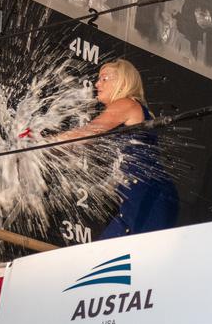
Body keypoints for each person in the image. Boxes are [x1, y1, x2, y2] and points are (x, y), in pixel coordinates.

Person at [54, 59, 178, 238]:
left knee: (109, 255)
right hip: (151, 195)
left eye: (104, 78)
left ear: (123, 82)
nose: (97, 83)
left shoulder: (127, 104)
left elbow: (86, 134)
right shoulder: (134, 109)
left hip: (148, 195)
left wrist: (41, 144)